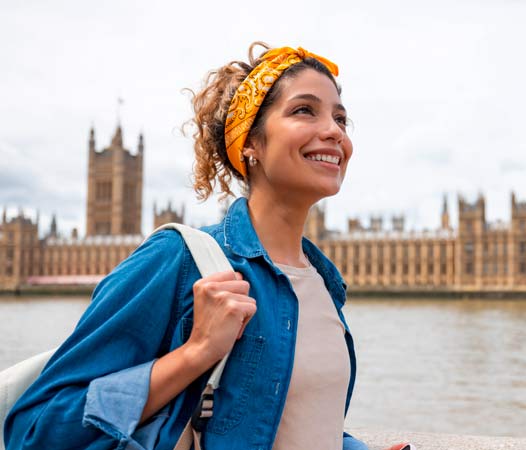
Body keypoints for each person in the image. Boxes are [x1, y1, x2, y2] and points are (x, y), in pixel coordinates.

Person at [5, 42, 407, 450]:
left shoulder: (325, 284)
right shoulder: (179, 258)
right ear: (250, 142)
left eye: (341, 118)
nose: (334, 130)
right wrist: (196, 352)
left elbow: (282, 423)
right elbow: (32, 432)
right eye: (305, 110)